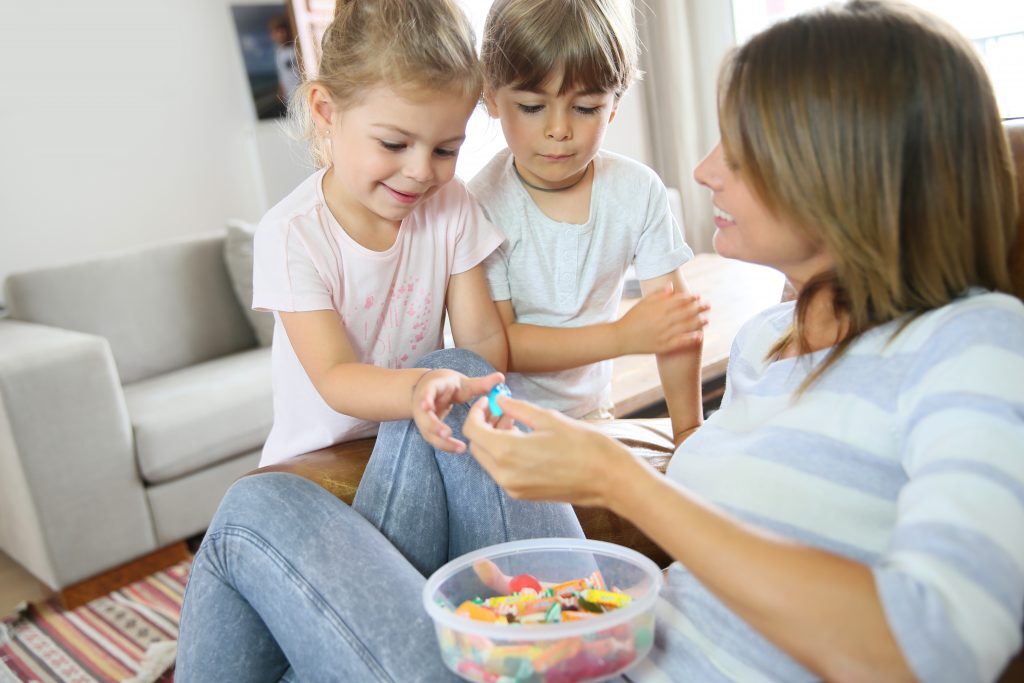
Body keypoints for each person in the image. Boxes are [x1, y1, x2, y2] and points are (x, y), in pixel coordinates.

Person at [177, 2, 1024, 681]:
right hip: (593, 644)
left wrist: (617, 472)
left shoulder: (977, 342)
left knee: (256, 511)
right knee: (450, 372)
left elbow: (934, 646)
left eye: (742, 145)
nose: (703, 169)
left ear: (849, 169)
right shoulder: (773, 338)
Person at [252, 0, 508, 467]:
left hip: (419, 432)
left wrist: (486, 399)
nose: (420, 172)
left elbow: (481, 343)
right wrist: (420, 389)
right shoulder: (293, 234)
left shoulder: (451, 204)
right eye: (394, 144)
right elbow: (335, 377)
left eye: (446, 150)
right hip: (322, 461)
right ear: (327, 110)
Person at [470, 0, 708, 443]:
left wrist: (688, 431)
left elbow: (675, 326)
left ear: (613, 106)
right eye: (532, 106)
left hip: (594, 412)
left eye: (585, 109)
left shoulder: (638, 191)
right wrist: (621, 336)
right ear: (491, 96)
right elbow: (501, 347)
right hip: (499, 419)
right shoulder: (479, 205)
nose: (559, 130)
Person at [267, 15, 300, 105]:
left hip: (301, 95)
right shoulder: (278, 52)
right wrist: (281, 88)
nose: (280, 34)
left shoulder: (296, 49)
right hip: (290, 98)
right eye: (276, 31)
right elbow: (282, 73)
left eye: (282, 30)